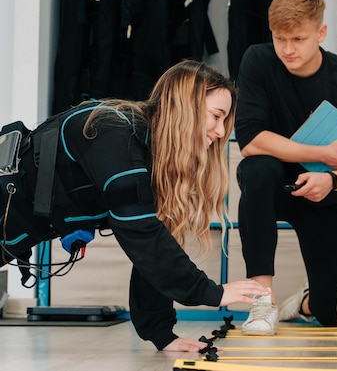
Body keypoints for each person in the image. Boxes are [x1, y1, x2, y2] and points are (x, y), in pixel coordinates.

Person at [0, 60, 269, 352]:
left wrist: (162, 335)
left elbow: (151, 245)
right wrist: (211, 292)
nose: (219, 132)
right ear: (184, 106)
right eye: (216, 117)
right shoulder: (113, 133)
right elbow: (141, 231)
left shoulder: (147, 150)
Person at [234, 0, 337, 336]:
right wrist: (322, 154)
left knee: (335, 311)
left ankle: (305, 301)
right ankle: (262, 301)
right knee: (258, 169)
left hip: (325, 190)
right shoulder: (257, 60)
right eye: (280, 38)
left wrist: (331, 179)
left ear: (321, 33)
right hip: (271, 183)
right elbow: (251, 140)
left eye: (298, 39)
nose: (287, 49)